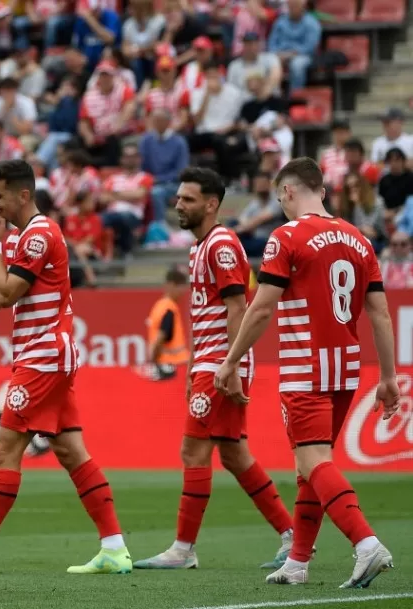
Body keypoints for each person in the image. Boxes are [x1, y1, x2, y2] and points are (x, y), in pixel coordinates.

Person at [0, 159, 132, 576]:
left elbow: (5, 293)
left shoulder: (38, 234)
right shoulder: (26, 236)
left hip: (43, 357)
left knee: (5, 450)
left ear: (23, 195)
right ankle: (114, 548)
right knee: (71, 451)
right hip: (48, 356)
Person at [215, 158, 400, 588]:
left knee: (314, 461)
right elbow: (380, 314)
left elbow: (262, 307)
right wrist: (388, 377)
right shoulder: (359, 239)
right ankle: (298, 561)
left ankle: (367, 543)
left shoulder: (286, 236)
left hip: (305, 368)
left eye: (279, 195)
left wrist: (231, 359)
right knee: (308, 468)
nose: (280, 202)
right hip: (345, 369)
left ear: (288, 191)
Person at [134, 167, 294, 571]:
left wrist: (230, 365)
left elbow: (238, 307)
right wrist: (193, 366)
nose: (178, 204)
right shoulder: (199, 247)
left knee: (193, 451)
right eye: (178, 197)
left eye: (187, 199)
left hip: (222, 362)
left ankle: (183, 549)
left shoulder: (221, 244)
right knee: (235, 455)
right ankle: (292, 536)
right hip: (210, 361)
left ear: (210, 204)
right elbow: (204, 313)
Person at [146, 265, 190, 381]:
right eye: (180, 286)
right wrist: (153, 361)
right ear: (171, 285)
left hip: (166, 364)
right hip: (173, 365)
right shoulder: (169, 309)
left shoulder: (159, 306)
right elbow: (160, 337)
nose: (182, 292)